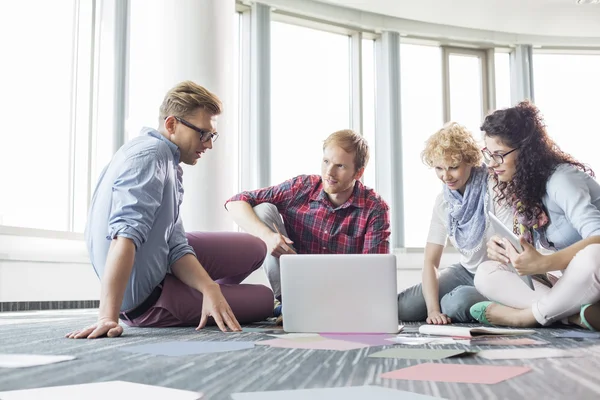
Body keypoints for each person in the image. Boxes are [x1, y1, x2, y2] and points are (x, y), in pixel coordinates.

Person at [66, 81, 273, 339]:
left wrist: (210, 289)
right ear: (172, 124)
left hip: (160, 263)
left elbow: (175, 244)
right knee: (265, 300)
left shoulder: (165, 157)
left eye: (212, 135)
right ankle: (196, 302)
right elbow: (125, 236)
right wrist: (108, 316)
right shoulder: (150, 157)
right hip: (149, 300)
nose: (209, 144)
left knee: (255, 247)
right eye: (203, 134)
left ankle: (210, 299)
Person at [470, 101, 600, 330]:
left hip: (593, 271)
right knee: (485, 272)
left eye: (499, 155)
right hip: (579, 284)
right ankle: (571, 315)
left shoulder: (562, 179)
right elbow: (533, 253)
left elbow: (598, 238)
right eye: (488, 154)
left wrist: (544, 262)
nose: (491, 164)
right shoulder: (525, 188)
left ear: (526, 152)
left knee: (594, 255)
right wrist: (507, 250)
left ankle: (524, 317)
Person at [225, 129, 390, 305]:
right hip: (295, 286)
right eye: (326, 161)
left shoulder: (375, 208)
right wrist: (268, 237)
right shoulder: (302, 187)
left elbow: (374, 273)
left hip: (343, 294)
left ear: (358, 173)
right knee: (262, 210)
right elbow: (235, 202)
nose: (329, 173)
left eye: (340, 166)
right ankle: (285, 303)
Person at [397, 122, 512, 324]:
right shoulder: (443, 203)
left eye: (453, 167)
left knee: (456, 303)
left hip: (498, 275)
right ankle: (458, 304)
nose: (445, 176)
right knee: (404, 307)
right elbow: (431, 262)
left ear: (470, 161)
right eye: (439, 168)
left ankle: (503, 305)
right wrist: (432, 311)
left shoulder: (494, 188)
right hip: (465, 271)